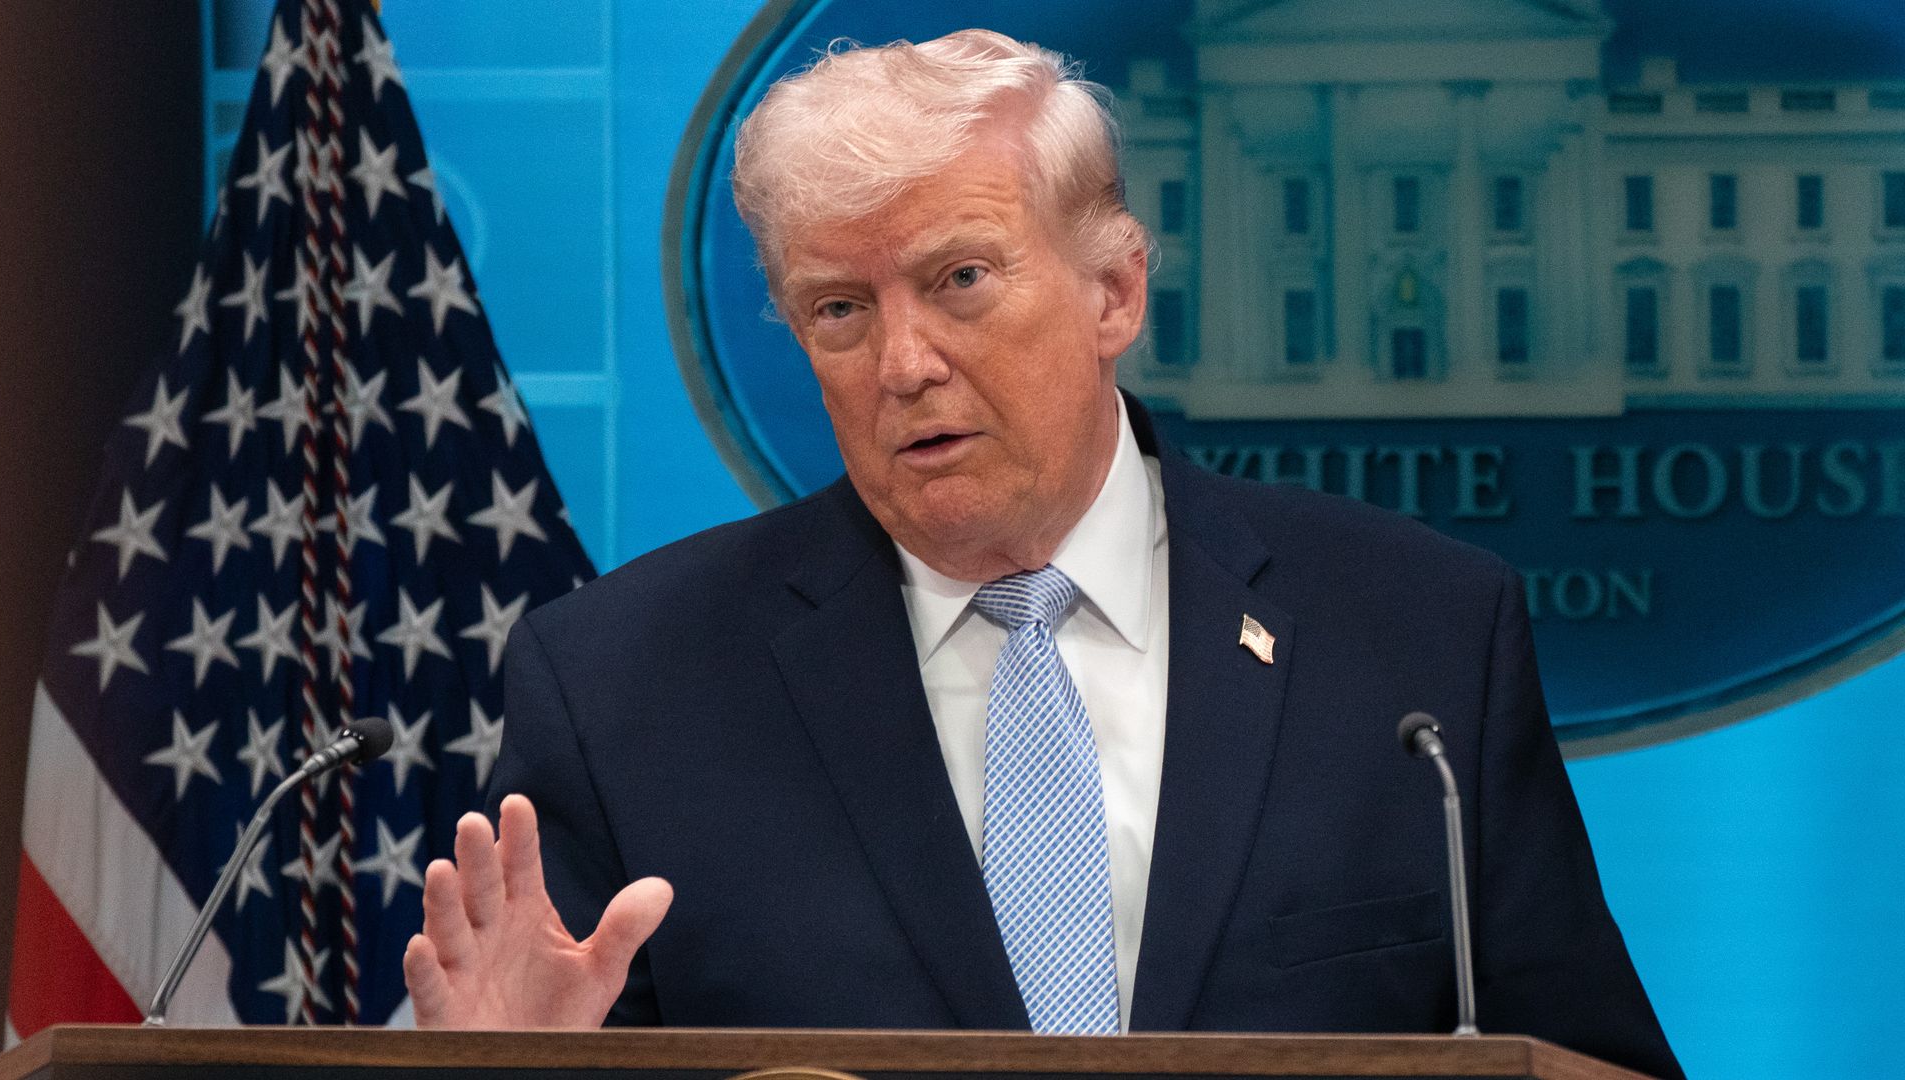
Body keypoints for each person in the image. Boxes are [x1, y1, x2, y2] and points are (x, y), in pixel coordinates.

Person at [403, 29, 1682, 1078]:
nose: (903, 364)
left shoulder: (1420, 640)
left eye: (960, 278)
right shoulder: (627, 685)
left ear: (1114, 292)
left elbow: (1585, 1062)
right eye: (839, 309)